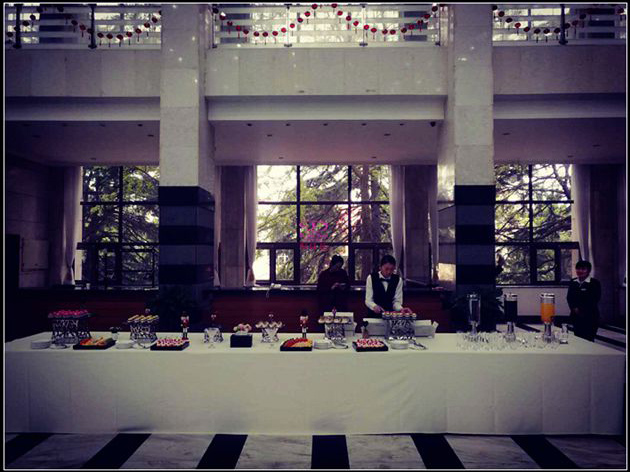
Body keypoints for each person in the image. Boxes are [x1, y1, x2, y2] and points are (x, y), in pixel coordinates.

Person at [567, 260, 601, 342]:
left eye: (583, 269)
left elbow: (594, 299)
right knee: (578, 339)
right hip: (576, 317)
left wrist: (581, 309)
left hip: (590, 316)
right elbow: (569, 297)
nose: (580, 271)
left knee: (589, 340)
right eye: (578, 269)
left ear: (588, 271)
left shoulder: (594, 283)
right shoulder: (573, 282)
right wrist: (574, 308)